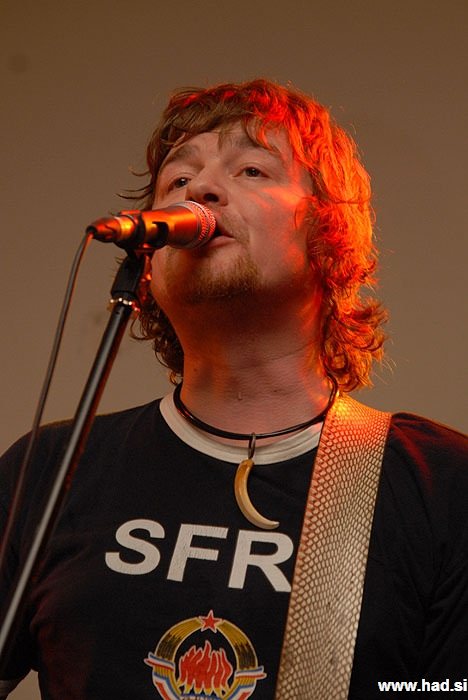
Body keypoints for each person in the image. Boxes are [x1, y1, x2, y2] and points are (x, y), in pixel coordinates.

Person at [0, 79, 467, 699]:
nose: (201, 190)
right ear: (148, 261)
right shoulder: (48, 469)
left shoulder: (440, 485)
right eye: (178, 179)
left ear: (328, 233)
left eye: (251, 169)